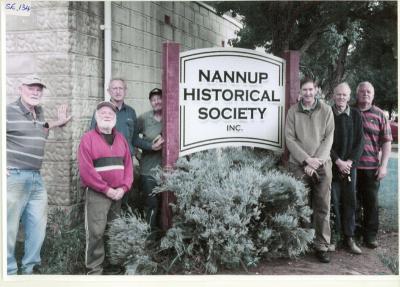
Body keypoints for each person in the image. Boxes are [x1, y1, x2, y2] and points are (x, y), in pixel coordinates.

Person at [7, 75, 71, 275]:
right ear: (20, 89)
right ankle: (7, 271)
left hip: (36, 178)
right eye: (31, 88)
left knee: (37, 226)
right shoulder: (8, 111)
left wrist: (58, 122)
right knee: (8, 228)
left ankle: (30, 269)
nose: (35, 92)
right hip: (14, 177)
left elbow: (40, 127)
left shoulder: (39, 112)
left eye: (39, 89)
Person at [78, 101, 133, 275]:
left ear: (115, 118)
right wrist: (106, 189)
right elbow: (87, 171)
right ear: (96, 117)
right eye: (102, 113)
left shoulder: (121, 138)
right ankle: (94, 269)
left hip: (118, 194)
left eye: (110, 113)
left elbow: (129, 166)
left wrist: (124, 188)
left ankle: (113, 265)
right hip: (98, 194)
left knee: (114, 230)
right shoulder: (88, 138)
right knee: (96, 233)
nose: (106, 115)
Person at [285, 77, 335, 263]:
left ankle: (321, 245)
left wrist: (316, 162)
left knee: (322, 205)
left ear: (316, 90)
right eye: (304, 90)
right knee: (301, 205)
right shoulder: (292, 112)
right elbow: (290, 139)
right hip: (299, 164)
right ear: (299, 92)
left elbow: (328, 139)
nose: (307, 93)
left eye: (310, 89)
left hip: (322, 165)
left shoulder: (326, 110)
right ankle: (302, 243)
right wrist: (306, 160)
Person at [355, 81, 392, 249]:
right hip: (351, 167)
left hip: (371, 168)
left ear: (373, 95)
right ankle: (353, 235)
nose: (366, 94)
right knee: (352, 203)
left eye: (369, 91)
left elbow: (386, 142)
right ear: (357, 94)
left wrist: (383, 166)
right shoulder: (350, 111)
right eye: (362, 91)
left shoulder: (379, 115)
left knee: (371, 203)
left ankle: (370, 237)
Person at [330, 83, 364, 254]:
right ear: (333, 96)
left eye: (344, 95)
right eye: (338, 94)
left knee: (350, 201)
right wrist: (338, 161)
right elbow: (324, 142)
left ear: (349, 97)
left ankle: (349, 238)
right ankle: (335, 237)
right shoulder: (328, 114)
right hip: (334, 168)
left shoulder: (356, 115)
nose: (341, 97)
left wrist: (349, 162)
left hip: (350, 169)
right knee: (334, 202)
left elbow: (360, 142)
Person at [137, 88, 164, 236]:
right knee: (151, 204)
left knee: (166, 205)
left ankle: (163, 237)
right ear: (150, 102)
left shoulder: (172, 117)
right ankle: (148, 237)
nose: (157, 101)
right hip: (148, 170)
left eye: (159, 98)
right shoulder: (143, 118)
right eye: (153, 99)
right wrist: (149, 147)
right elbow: (134, 138)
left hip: (168, 170)